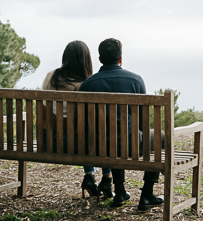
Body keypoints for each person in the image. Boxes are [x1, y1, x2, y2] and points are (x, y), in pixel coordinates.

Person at [80, 38, 164, 212]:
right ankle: (147, 194)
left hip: (97, 147)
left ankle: (119, 191)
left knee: (113, 139)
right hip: (129, 145)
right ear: (121, 58)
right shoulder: (136, 81)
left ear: (100, 59)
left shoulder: (88, 84)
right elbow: (142, 122)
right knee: (159, 136)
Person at [41, 41, 98, 196]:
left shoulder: (50, 76)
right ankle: (92, 176)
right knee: (93, 135)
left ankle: (90, 178)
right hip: (71, 144)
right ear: (86, 60)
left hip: (45, 141)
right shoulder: (84, 85)